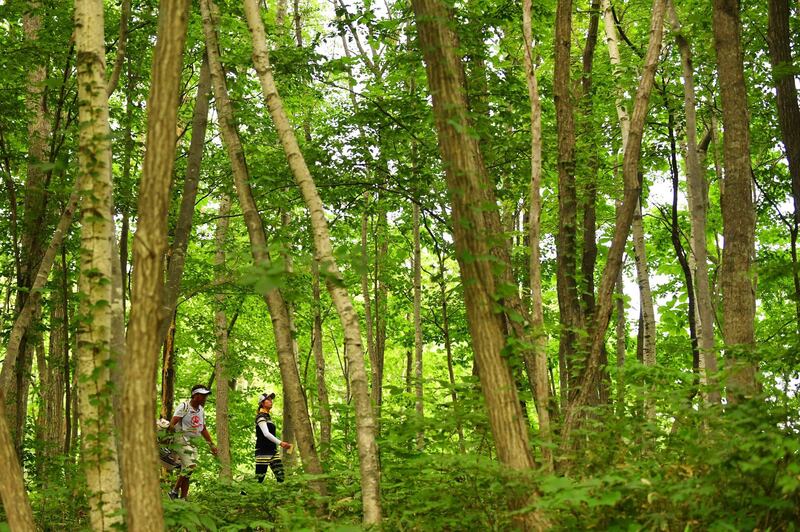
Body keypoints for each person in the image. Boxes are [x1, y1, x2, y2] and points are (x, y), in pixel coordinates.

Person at [168, 384, 218, 500]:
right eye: (202, 395)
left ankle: (183, 498)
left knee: (187, 470)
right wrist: (168, 440)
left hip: (193, 441)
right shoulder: (184, 406)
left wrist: (211, 445)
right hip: (181, 439)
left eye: (206, 395)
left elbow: (203, 428)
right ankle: (175, 490)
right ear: (195, 395)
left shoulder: (201, 410)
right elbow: (172, 424)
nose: (205, 398)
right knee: (191, 465)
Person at [255, 391, 292, 483]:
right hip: (263, 451)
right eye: (268, 400)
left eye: (271, 399)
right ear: (262, 403)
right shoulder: (261, 417)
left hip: (272, 451)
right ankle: (243, 495)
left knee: (281, 476)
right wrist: (281, 443)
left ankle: (282, 496)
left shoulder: (268, 417)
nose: (271, 401)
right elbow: (266, 433)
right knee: (259, 478)